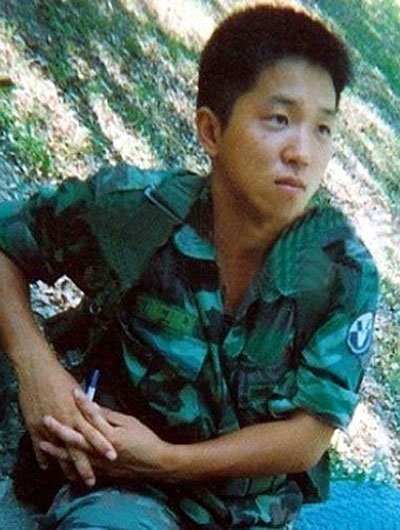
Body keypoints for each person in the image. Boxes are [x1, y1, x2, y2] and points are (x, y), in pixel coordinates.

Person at [0, 4, 378, 529]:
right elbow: (7, 245)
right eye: (279, 119)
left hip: (245, 513)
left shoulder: (340, 272)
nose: (302, 152)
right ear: (211, 131)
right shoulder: (139, 212)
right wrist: (36, 369)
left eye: (323, 128)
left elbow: (307, 436)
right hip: (118, 488)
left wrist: (168, 460)